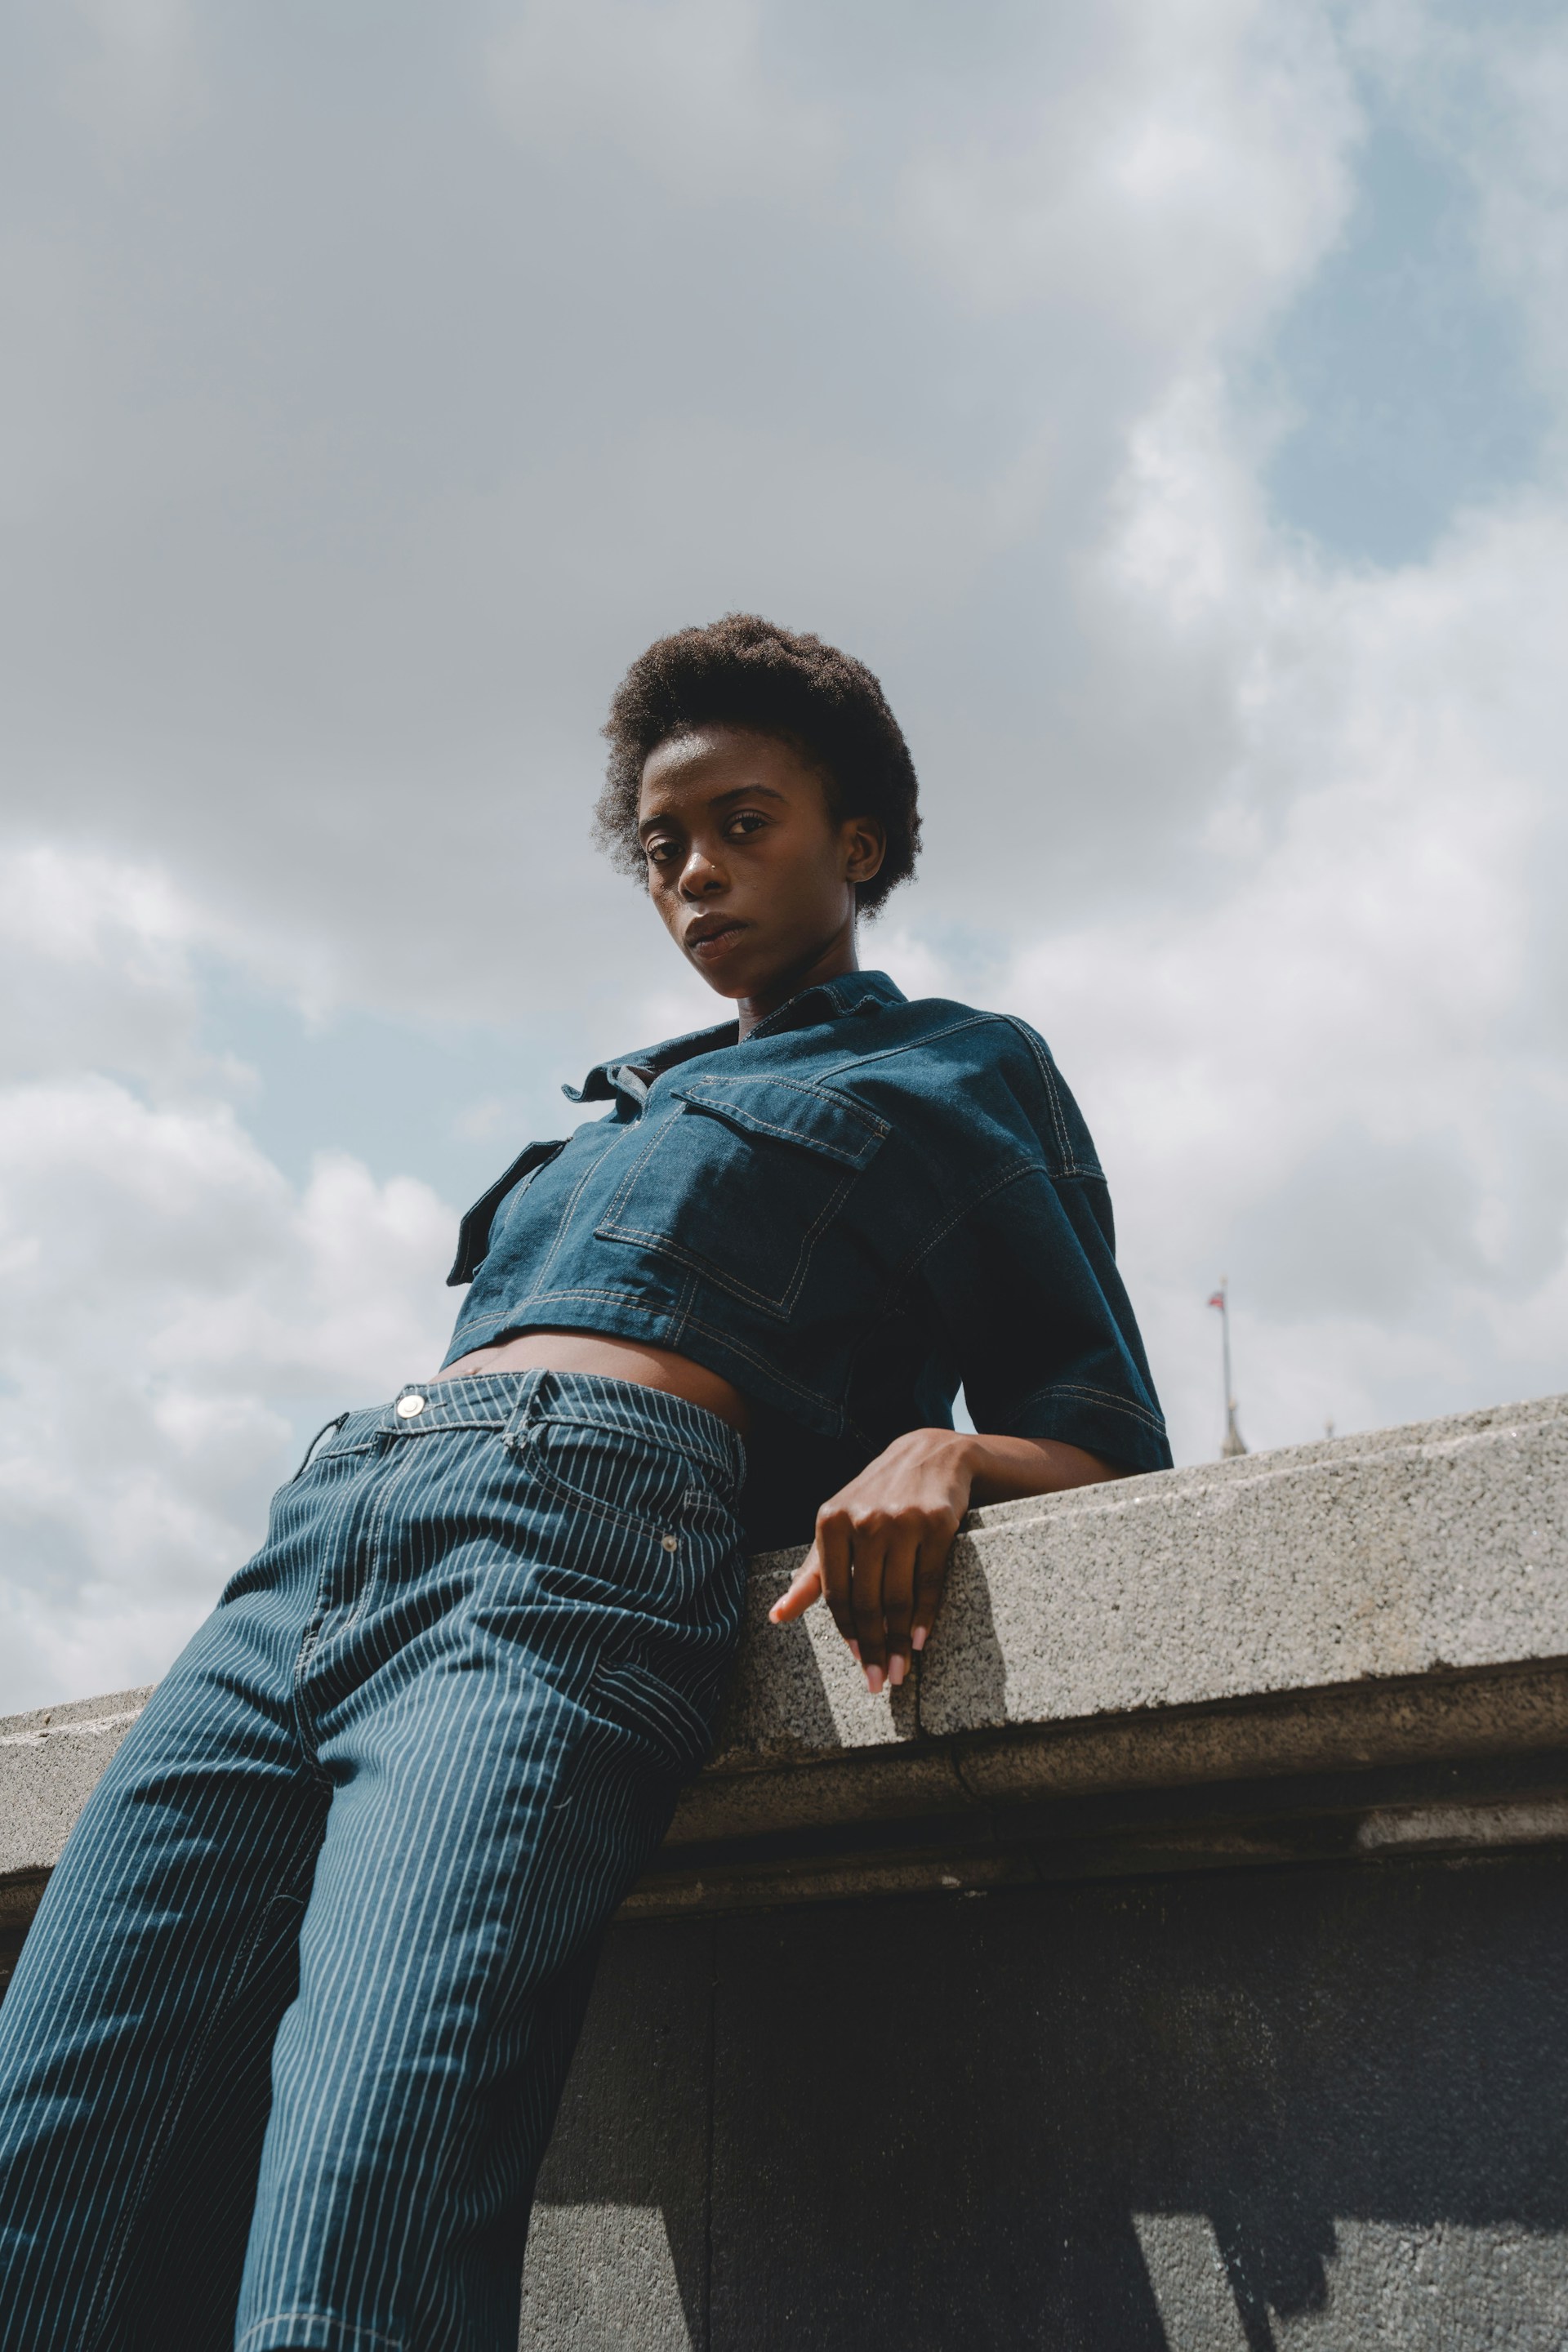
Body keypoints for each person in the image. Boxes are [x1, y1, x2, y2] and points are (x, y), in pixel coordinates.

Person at [0, 615, 1171, 2351]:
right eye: (662, 845)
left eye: (744, 822)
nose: (694, 870)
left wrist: (949, 1447)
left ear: (858, 843)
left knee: (359, 2215)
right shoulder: (617, 1114)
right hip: (322, 1535)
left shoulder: (952, 1070)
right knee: (40, 2164)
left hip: (570, 1560)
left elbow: (1102, 1420)